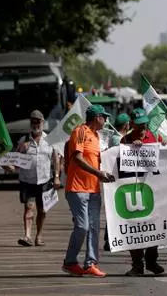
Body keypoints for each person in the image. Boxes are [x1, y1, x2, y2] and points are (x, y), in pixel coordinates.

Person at [62, 104, 115, 278]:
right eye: (104, 117)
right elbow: (77, 158)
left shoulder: (97, 136)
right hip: (77, 188)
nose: (106, 120)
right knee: (82, 226)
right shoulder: (80, 131)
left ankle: (90, 263)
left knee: (93, 227)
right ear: (96, 117)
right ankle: (70, 262)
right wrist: (99, 173)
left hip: (93, 189)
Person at [121, 108, 165, 277]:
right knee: (134, 229)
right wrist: (131, 147)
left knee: (152, 227)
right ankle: (137, 265)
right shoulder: (125, 140)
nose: (143, 129)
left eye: (145, 125)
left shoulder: (153, 137)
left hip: (151, 190)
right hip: (132, 191)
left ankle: (152, 261)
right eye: (139, 126)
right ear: (132, 125)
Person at [8, 110, 61, 247]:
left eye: (38, 122)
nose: (35, 124)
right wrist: (9, 167)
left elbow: (56, 161)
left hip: (44, 181)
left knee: (42, 210)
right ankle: (27, 236)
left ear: (42, 123)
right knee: (29, 207)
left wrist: (56, 177)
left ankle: (39, 235)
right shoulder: (23, 141)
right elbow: (15, 161)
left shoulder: (50, 140)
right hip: (28, 181)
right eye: (33, 122)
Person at [103, 112, 131, 252]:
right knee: (116, 207)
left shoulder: (116, 137)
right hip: (117, 177)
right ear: (126, 125)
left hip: (117, 176)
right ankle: (110, 238)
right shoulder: (117, 139)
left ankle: (109, 238)